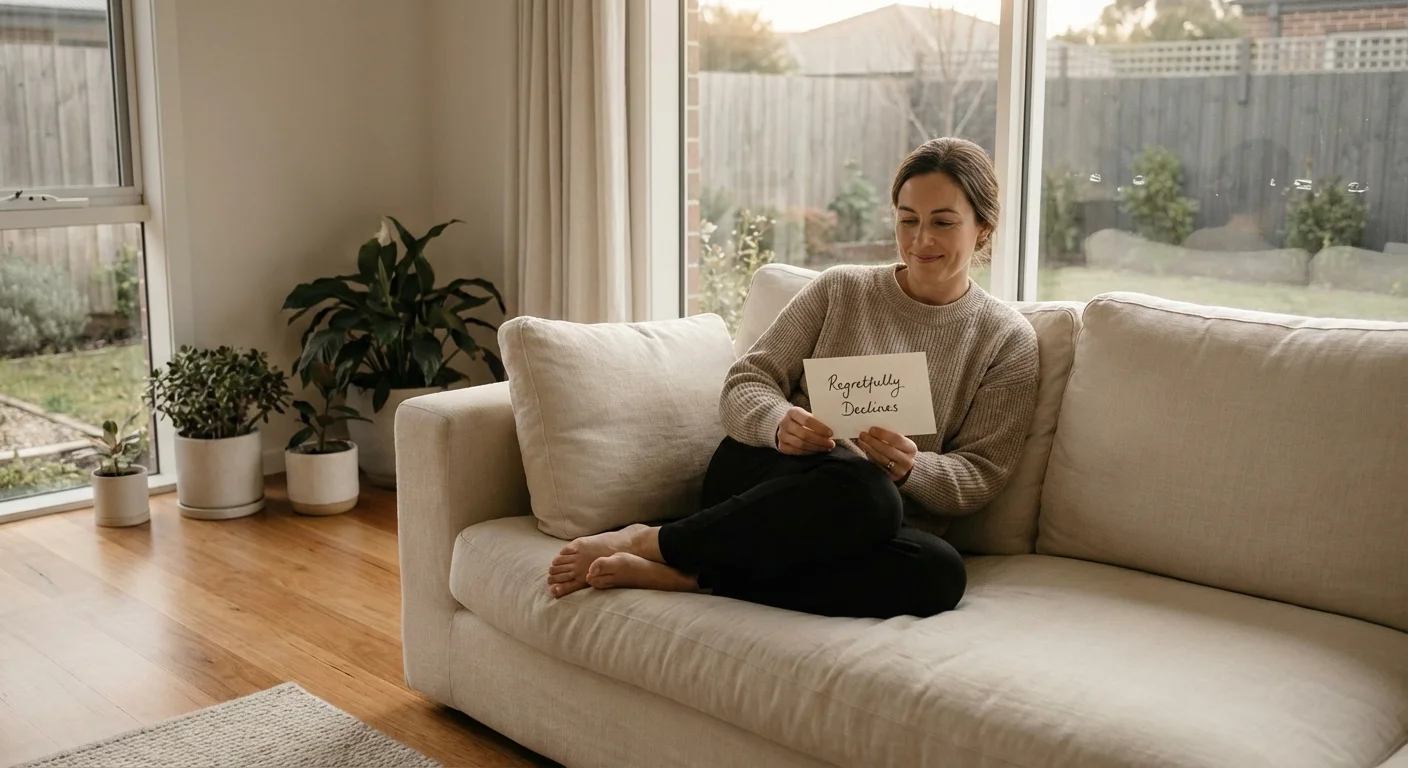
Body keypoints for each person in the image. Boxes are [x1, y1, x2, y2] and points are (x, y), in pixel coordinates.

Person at [547, 137, 1040, 619]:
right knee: (863, 488)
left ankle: (695, 577)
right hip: (766, 478)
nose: (920, 240)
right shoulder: (840, 290)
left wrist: (913, 469)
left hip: (869, 517)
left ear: (983, 229)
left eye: (943, 223)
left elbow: (982, 472)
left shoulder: (1005, 340)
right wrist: (779, 422)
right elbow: (747, 381)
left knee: (938, 573)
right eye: (907, 220)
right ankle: (651, 540)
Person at [1183, 138, 1293, 253]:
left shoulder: (1194, 243)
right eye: (1284, 193)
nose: (1287, 208)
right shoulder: (1274, 259)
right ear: (1270, 197)